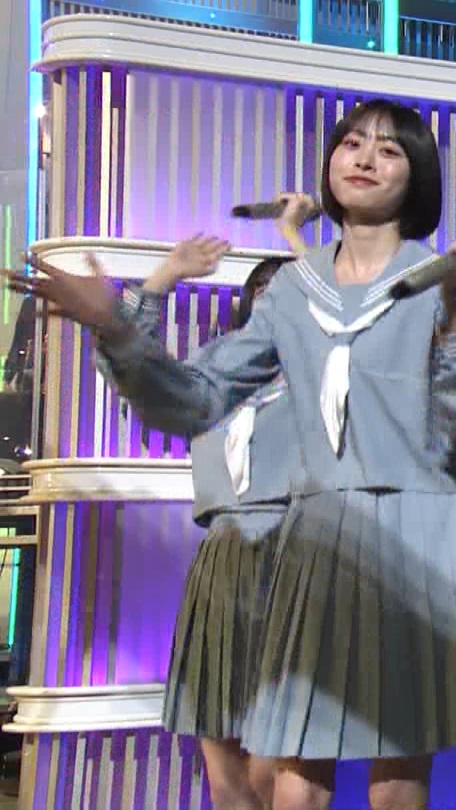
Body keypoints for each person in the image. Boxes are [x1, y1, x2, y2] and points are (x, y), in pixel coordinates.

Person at [12, 98, 456, 810]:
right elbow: (198, 399)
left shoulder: (437, 277)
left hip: (418, 538)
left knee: (397, 780)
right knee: (296, 776)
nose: (365, 159)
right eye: (352, 143)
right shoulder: (293, 291)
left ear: (418, 174)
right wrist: (116, 326)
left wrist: (455, 303)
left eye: (389, 149)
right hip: (319, 540)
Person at [107, 237, 291, 810]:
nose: (273, 299)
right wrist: (163, 277)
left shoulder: (329, 377)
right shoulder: (213, 374)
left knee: (283, 761)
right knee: (220, 746)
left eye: (290, 290)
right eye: (263, 289)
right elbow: (136, 377)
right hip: (224, 556)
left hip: (301, 556)